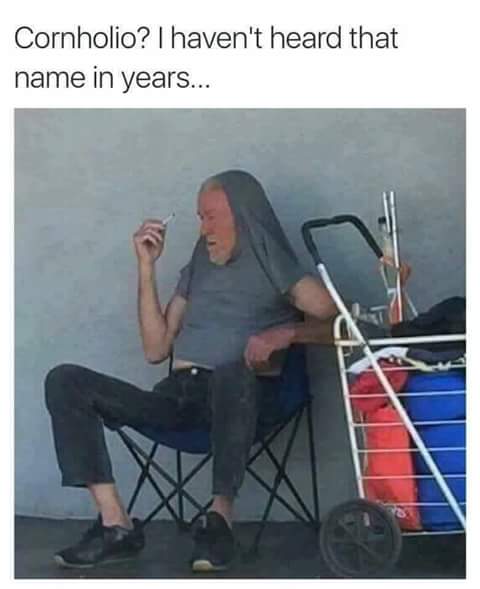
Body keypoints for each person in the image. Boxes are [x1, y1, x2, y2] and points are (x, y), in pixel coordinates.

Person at [44, 170, 337, 571]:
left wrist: (288, 332)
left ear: (245, 216)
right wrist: (146, 267)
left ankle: (219, 523)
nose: (204, 229)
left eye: (211, 217)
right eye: (200, 218)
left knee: (232, 373)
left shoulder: (273, 261)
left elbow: (341, 322)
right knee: (65, 380)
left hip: (242, 396)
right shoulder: (201, 260)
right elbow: (155, 349)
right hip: (179, 397)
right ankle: (115, 525)